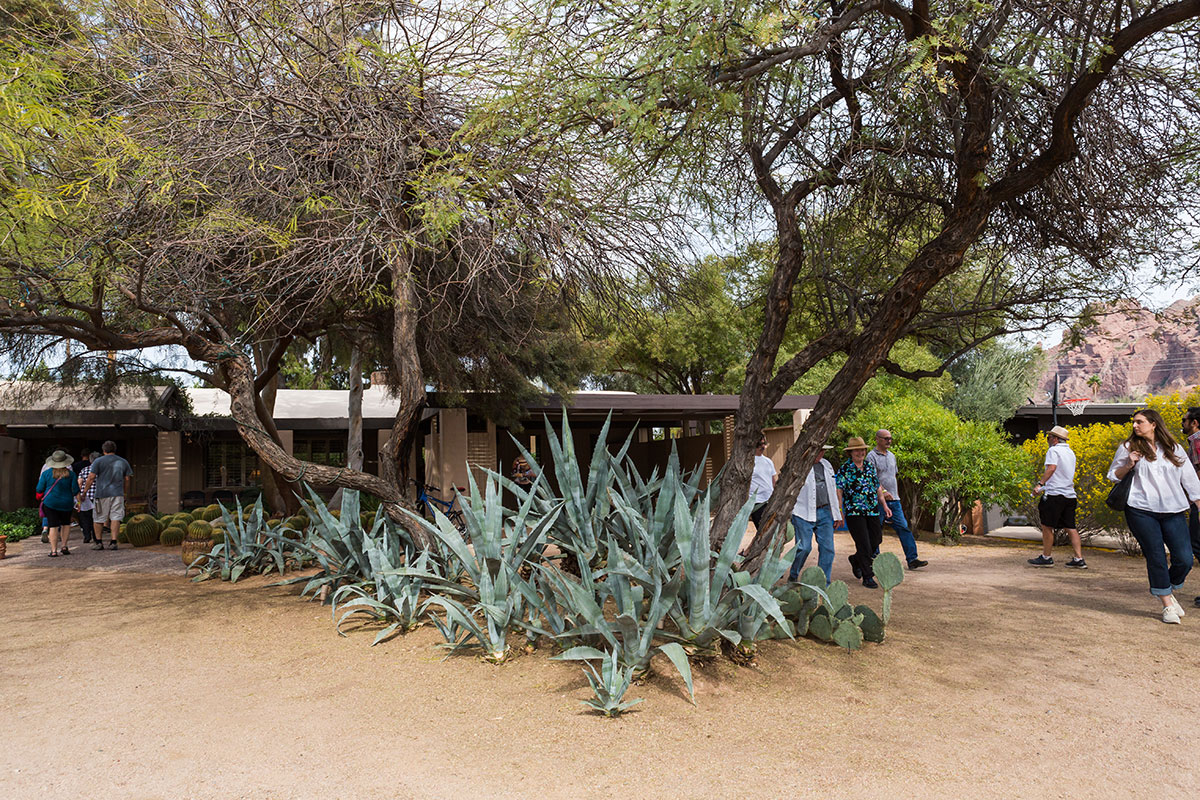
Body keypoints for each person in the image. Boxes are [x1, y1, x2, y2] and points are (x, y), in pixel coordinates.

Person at [1106, 408, 1200, 624]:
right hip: (1140, 509)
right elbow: (1114, 476)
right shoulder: (1128, 447)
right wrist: (1129, 464)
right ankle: (1167, 605)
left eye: (1139, 422)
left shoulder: (1174, 448)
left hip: (1174, 510)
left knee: (1184, 559)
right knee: (1156, 556)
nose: (1135, 426)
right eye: (1133, 422)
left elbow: (1191, 481)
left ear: (1154, 423)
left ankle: (1167, 588)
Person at [866, 429, 928, 570]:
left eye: (890, 438)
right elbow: (872, 479)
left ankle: (912, 559)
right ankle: (874, 561)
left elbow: (893, 476)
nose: (889, 441)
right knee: (876, 531)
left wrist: (893, 493)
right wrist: (883, 492)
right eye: (886, 438)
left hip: (895, 500)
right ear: (877, 439)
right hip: (878, 501)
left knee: (903, 528)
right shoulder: (871, 456)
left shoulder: (892, 456)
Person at [1029, 425, 1087, 569]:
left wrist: (1039, 484)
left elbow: (1052, 468)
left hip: (1054, 495)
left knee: (1047, 526)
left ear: (1055, 439)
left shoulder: (1053, 450)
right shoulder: (1070, 453)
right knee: (1070, 526)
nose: (1047, 439)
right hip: (1069, 495)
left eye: (1049, 437)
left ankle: (1046, 557)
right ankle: (1078, 558)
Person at [836, 436, 891, 588]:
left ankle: (856, 559)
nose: (860, 453)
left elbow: (877, 487)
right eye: (857, 450)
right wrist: (840, 510)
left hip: (872, 510)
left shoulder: (869, 466)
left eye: (862, 450)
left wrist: (884, 505)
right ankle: (868, 576)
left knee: (876, 540)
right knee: (863, 544)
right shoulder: (845, 469)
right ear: (851, 452)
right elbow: (839, 491)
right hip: (854, 512)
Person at [789, 445, 842, 584]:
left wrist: (837, 514)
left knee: (828, 549)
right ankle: (794, 574)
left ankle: (824, 583)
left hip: (825, 512)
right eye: (819, 450)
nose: (821, 453)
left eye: (823, 450)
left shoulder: (826, 464)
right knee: (804, 548)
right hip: (802, 512)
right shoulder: (799, 465)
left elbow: (832, 489)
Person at [83, 440, 133, 550]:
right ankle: (114, 541)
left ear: (104, 450)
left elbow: (91, 477)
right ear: (115, 450)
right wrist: (125, 492)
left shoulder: (98, 461)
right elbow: (127, 478)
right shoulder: (123, 461)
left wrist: (85, 492)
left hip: (102, 493)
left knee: (98, 518)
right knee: (116, 517)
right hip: (118, 493)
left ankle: (99, 542)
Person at [35, 450, 79, 557]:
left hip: (50, 503)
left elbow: (39, 489)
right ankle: (64, 546)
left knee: (53, 526)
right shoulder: (71, 474)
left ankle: (54, 550)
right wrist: (79, 502)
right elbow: (75, 490)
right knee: (66, 524)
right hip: (66, 503)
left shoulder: (46, 474)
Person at [1182, 408, 1200, 607]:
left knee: (1196, 543)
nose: (1183, 424)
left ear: (1194, 422)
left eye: (1184, 420)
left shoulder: (1196, 440)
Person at [748, 433, 777, 530]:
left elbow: (773, 480)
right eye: (760, 444)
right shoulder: (749, 462)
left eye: (764, 444)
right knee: (762, 529)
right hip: (757, 502)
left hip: (769, 500)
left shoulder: (768, 461)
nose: (763, 447)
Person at [77, 451, 100, 544]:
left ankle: (87, 536)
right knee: (96, 517)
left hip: (85, 497)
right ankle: (96, 536)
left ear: (90, 461)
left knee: (85, 517)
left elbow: (79, 483)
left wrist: (79, 495)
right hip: (97, 496)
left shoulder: (84, 470)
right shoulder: (101, 470)